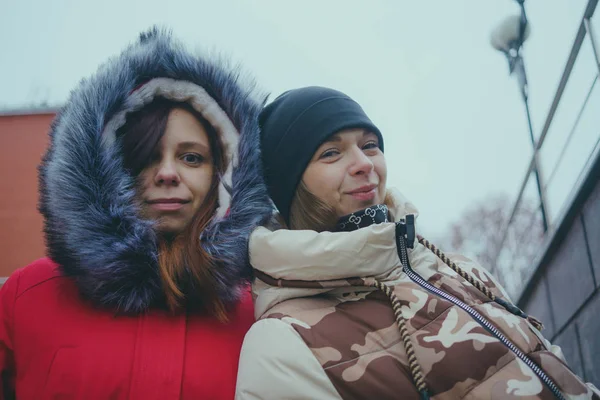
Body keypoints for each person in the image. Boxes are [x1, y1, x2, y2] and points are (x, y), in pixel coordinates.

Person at [235, 86, 599, 399]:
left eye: (371, 145)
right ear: (289, 185)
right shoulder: (283, 342)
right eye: (331, 152)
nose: (364, 163)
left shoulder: (461, 268)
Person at [0, 28, 271, 399]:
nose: (167, 173)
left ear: (224, 172)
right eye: (144, 158)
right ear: (102, 170)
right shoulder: (26, 296)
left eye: (191, 157)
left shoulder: (265, 312)